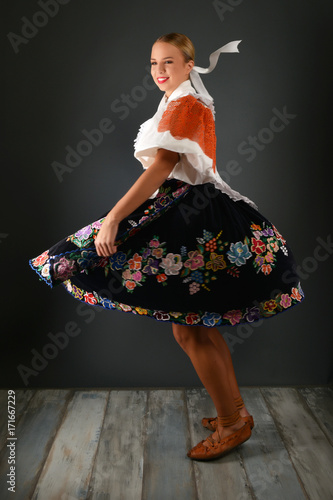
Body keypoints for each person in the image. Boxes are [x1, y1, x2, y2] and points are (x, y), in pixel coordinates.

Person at [29, 33, 304, 461]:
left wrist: (115, 218)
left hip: (192, 214)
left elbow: (163, 166)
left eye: (169, 63)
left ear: (190, 65)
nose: (159, 71)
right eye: (154, 63)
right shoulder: (181, 101)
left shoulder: (186, 104)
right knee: (196, 326)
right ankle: (234, 413)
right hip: (190, 208)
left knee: (191, 328)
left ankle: (232, 423)